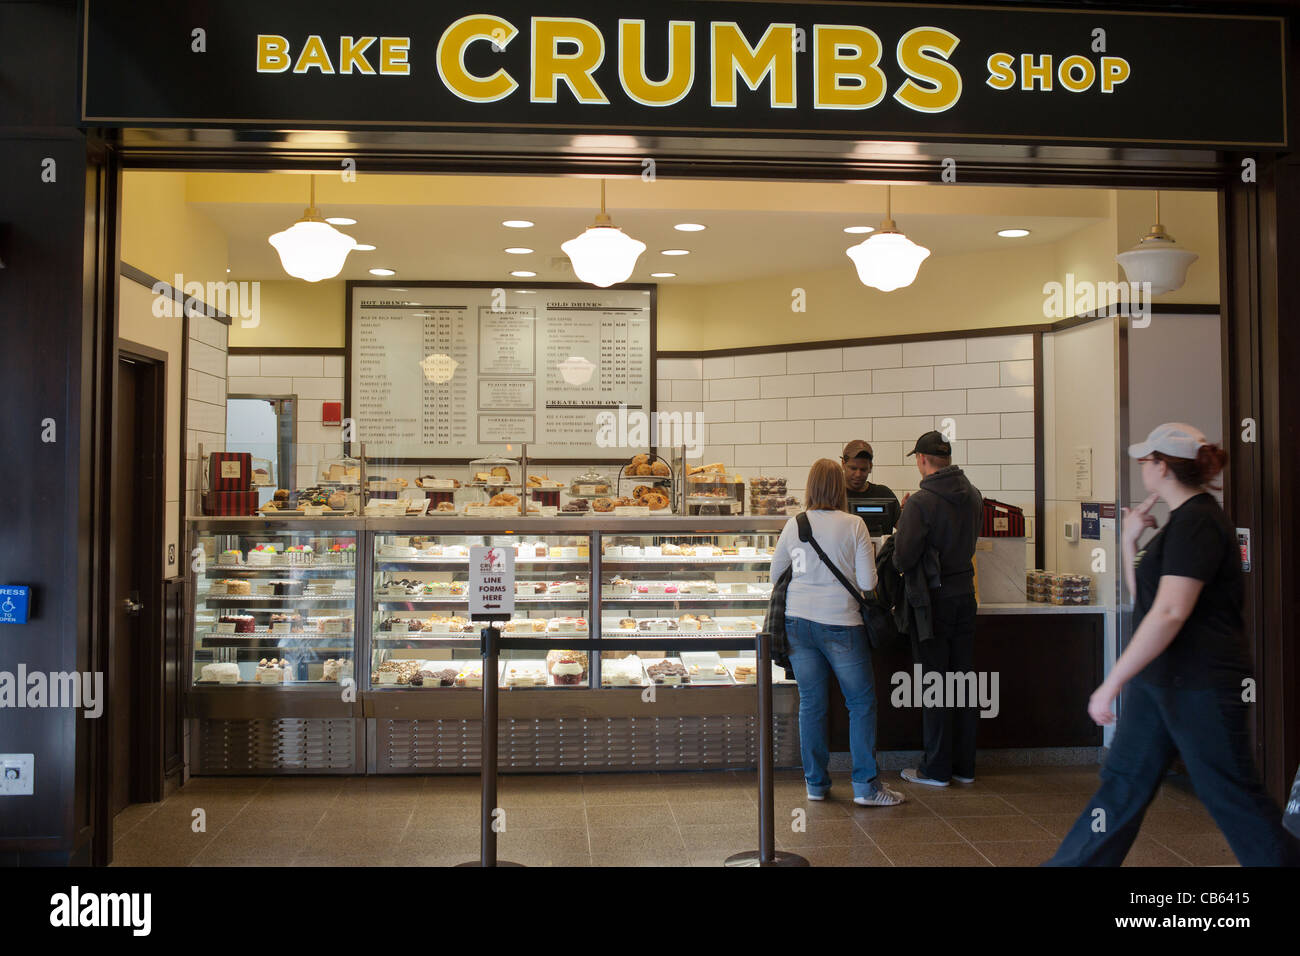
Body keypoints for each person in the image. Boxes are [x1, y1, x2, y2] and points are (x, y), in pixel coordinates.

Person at [1045, 423, 1300, 866]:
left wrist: (1112, 682)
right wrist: (1128, 542)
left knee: (1231, 796)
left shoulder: (1199, 522)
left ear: (1162, 467)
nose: (1143, 467)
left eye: (1147, 461)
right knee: (1121, 787)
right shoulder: (1179, 523)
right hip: (1162, 682)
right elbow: (1150, 606)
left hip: (1199, 686)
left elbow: (1170, 614)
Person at [770, 458, 905, 807]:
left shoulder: (794, 524)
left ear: (811, 487)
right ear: (840, 487)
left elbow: (775, 576)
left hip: (797, 623)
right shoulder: (855, 524)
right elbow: (867, 583)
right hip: (842, 624)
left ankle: (815, 785)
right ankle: (865, 787)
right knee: (860, 704)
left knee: (812, 704)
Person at [892, 430, 983, 788]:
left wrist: (903, 524)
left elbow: (903, 557)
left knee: (935, 683)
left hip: (932, 601)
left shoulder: (921, 501)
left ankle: (935, 768)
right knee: (963, 681)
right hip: (965, 595)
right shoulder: (974, 495)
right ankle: (964, 766)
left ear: (922, 459)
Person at [842, 440, 901, 534]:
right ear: (843, 464)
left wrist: (910, 513)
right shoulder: (832, 496)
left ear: (870, 467)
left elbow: (907, 530)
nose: (858, 474)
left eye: (863, 469)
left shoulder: (885, 495)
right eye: (853, 468)